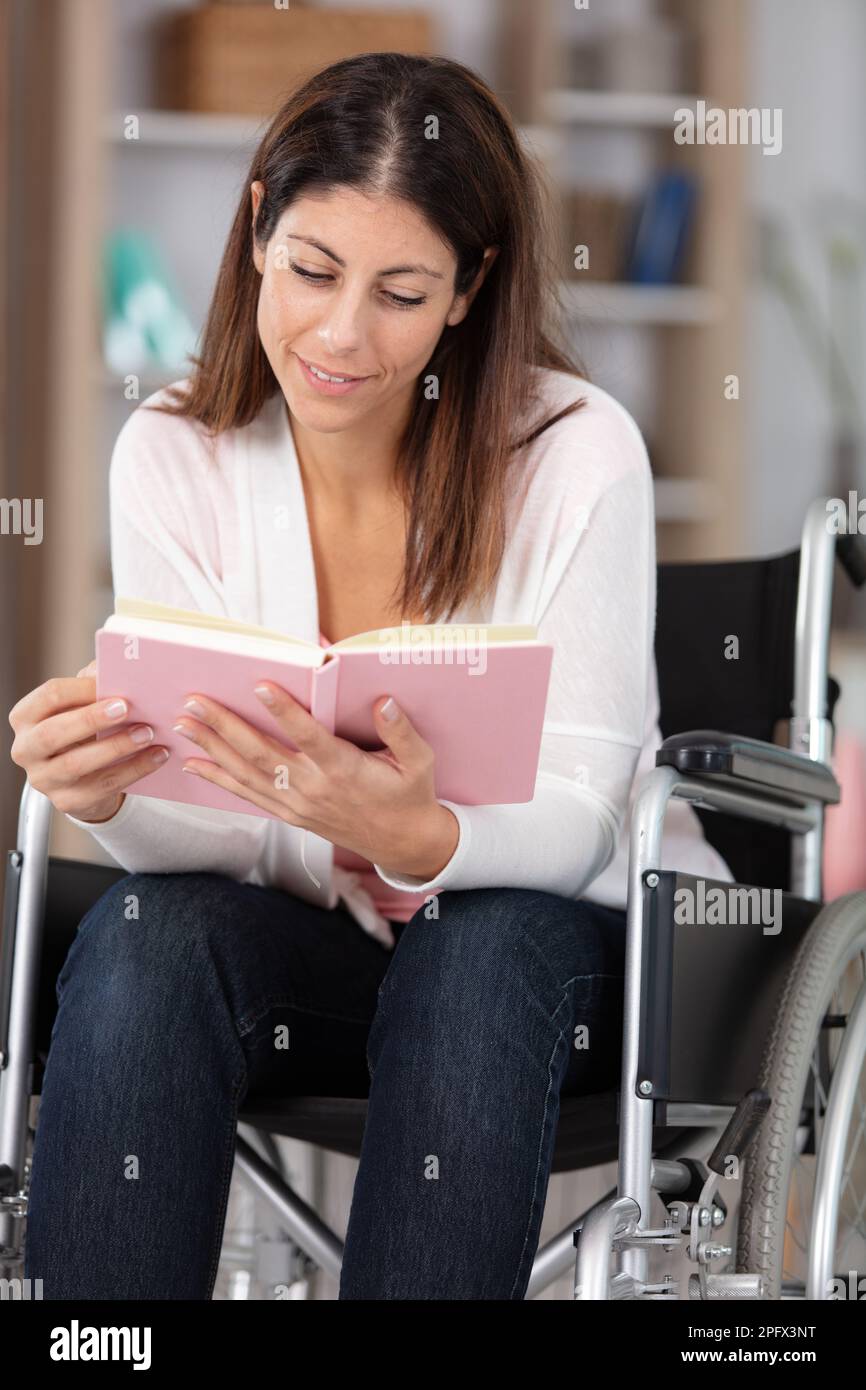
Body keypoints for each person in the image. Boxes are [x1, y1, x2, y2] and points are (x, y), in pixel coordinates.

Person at [9, 52, 733, 1300]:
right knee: (145, 931)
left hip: (565, 968)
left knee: (477, 939)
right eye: (310, 270)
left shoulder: (573, 454)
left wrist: (418, 831)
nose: (341, 336)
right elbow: (212, 833)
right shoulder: (174, 451)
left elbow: (580, 814)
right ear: (255, 232)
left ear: (470, 290)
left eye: (401, 292)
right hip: (332, 960)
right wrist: (112, 797)